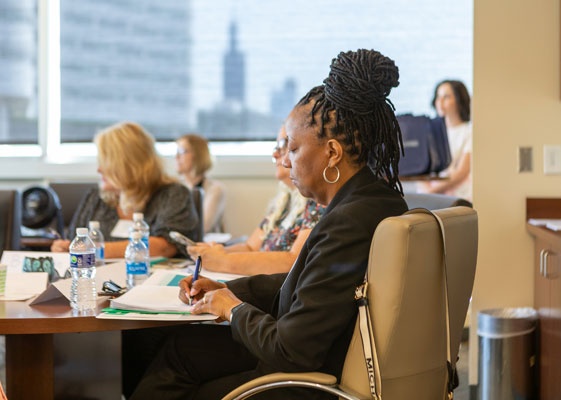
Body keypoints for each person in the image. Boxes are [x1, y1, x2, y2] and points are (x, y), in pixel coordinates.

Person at [129, 48, 409, 400]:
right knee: (180, 347)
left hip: (305, 378)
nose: (286, 162)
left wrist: (232, 308)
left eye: (292, 149)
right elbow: (311, 287)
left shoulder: (349, 221)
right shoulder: (375, 201)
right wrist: (226, 291)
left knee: (174, 362)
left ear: (333, 153)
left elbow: (293, 350)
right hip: (317, 352)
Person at [186, 125, 326, 275]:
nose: (275, 154)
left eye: (284, 145)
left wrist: (222, 260)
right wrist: (214, 253)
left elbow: (293, 261)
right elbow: (250, 247)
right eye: (276, 146)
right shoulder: (284, 201)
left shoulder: (317, 201)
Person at [50, 121, 199, 258]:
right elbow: (74, 243)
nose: (99, 169)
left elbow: (163, 247)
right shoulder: (95, 197)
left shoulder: (173, 194)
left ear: (129, 165)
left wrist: (89, 250)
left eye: (106, 163)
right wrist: (63, 248)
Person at [418, 79, 472, 201]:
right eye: (438, 96)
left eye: (446, 97)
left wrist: (430, 192)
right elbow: (419, 168)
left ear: (459, 101)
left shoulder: (468, 132)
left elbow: (461, 172)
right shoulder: (429, 131)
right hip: (428, 196)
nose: (440, 102)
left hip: (458, 197)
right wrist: (426, 192)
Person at [175, 134, 227, 234]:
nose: (176, 157)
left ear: (197, 155)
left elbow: (204, 226)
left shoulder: (215, 189)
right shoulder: (175, 187)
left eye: (182, 152)